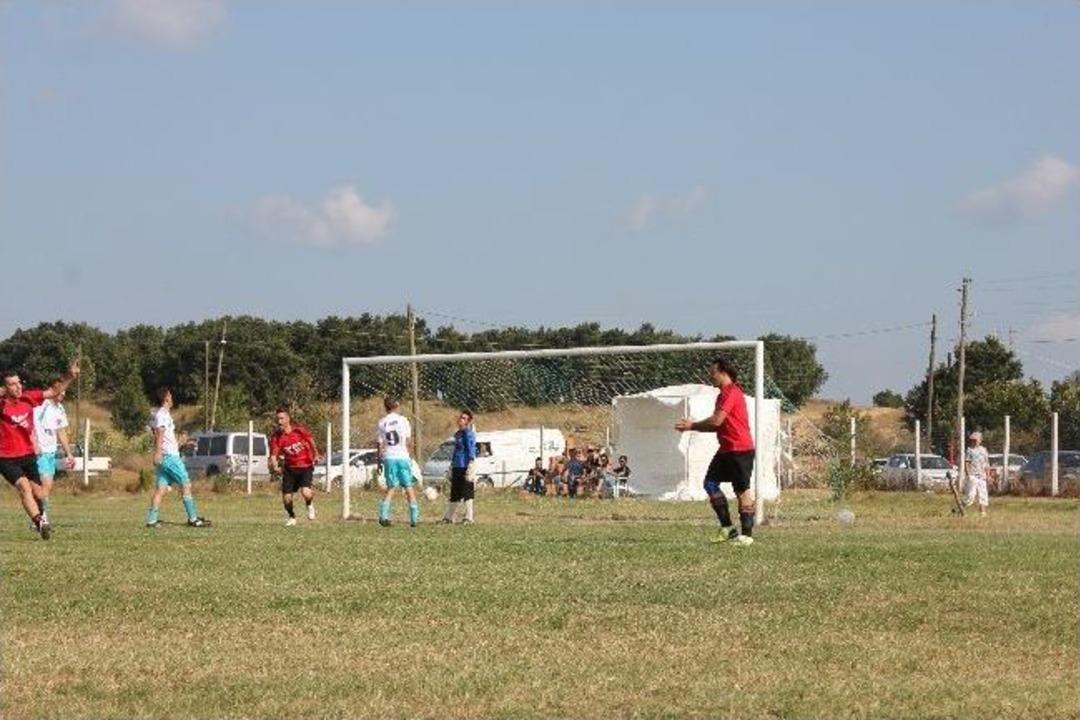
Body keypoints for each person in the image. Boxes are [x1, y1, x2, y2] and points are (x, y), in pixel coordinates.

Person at [675, 356, 756, 546]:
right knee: (710, 484)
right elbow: (717, 426)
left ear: (723, 372)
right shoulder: (722, 395)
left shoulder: (731, 392)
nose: (710, 377)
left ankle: (747, 536)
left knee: (741, 491)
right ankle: (728, 528)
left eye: (713, 373)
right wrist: (692, 427)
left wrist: (693, 424)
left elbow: (717, 420)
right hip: (726, 448)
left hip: (739, 449)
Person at [0, 359, 80, 540]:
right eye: (12, 384)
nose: (18, 387)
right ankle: (40, 522)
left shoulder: (29, 397)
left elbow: (53, 391)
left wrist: (69, 376)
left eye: (19, 382)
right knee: (23, 487)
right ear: (5, 387)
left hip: (27, 455)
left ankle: (40, 515)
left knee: (41, 493)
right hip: (5, 457)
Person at [146, 388, 210, 528]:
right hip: (169, 457)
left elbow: (166, 437)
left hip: (166, 456)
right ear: (166, 398)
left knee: (161, 489)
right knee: (185, 484)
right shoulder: (162, 414)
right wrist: (157, 453)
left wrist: (185, 443)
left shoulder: (163, 415)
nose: (172, 397)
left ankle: (151, 520)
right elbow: (159, 434)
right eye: (170, 395)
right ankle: (193, 519)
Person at [269, 407, 319, 527]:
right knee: (286, 498)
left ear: (288, 419)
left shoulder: (299, 431)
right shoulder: (276, 437)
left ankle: (309, 504)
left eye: (281, 418)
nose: (279, 421)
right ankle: (292, 517)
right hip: (290, 469)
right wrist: (275, 467)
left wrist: (316, 454)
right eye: (278, 419)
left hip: (305, 465)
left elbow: (310, 440)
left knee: (306, 492)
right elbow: (273, 455)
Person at [32, 389, 76, 526]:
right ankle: (41, 518)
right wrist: (35, 444)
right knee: (44, 486)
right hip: (40, 451)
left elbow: (60, 431)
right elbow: (30, 425)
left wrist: (68, 453)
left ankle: (38, 517)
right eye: (61, 391)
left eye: (65, 392)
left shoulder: (60, 408)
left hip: (51, 452)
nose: (63, 394)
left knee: (46, 488)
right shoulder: (41, 406)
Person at [375, 398, 418, 528]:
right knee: (408, 486)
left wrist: (379, 461)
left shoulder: (382, 422)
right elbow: (409, 441)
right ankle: (413, 519)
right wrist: (410, 457)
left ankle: (383, 515)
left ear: (385, 407)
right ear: (397, 406)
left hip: (389, 457)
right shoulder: (403, 420)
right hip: (402, 456)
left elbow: (379, 444)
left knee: (391, 487)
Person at [442, 410, 477, 524]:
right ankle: (449, 517)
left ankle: (469, 517)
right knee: (455, 492)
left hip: (465, 465)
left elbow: (471, 448)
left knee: (467, 491)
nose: (461, 420)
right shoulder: (457, 434)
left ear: (468, 421)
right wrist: (452, 465)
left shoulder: (468, 433)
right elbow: (456, 451)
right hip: (457, 465)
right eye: (461, 417)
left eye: (464, 418)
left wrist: (471, 464)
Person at [963, 431, 990, 517]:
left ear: (980, 440)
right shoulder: (969, 450)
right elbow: (966, 463)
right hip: (973, 476)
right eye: (972, 440)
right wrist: (968, 475)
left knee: (983, 495)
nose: (973, 442)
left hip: (982, 476)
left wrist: (988, 475)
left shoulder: (984, 450)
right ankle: (958, 509)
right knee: (971, 495)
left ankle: (983, 513)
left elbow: (986, 463)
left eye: (975, 440)